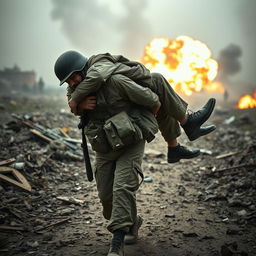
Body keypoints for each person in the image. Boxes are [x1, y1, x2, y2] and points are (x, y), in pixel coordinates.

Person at [54, 51, 216, 164]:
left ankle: (179, 138)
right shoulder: (75, 86)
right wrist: (78, 103)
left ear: (81, 68)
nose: (72, 83)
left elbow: (97, 77)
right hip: (125, 100)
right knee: (159, 85)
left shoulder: (98, 61)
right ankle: (184, 129)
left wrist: (76, 100)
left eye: (73, 77)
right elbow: (72, 105)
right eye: (68, 81)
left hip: (135, 85)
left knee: (158, 85)